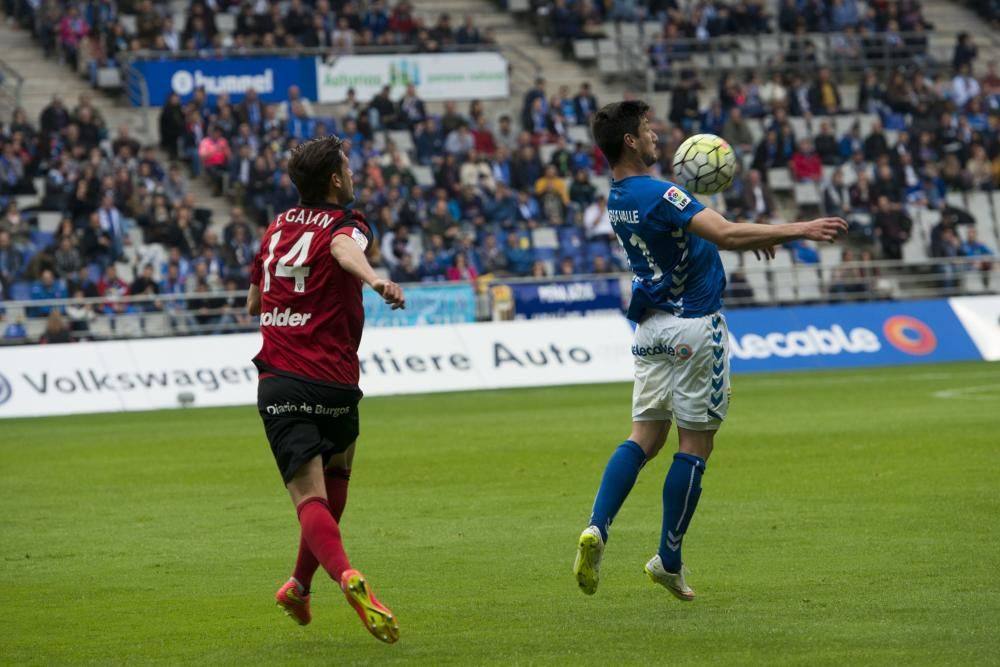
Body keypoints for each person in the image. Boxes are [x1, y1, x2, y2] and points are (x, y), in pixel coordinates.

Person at [573, 100, 846, 600]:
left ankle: (597, 525)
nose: (656, 135)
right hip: (696, 326)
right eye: (648, 129)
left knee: (643, 438)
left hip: (650, 329)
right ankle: (668, 560)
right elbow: (719, 232)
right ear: (630, 141)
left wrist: (746, 240)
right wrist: (798, 229)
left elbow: (690, 240)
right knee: (694, 445)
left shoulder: (618, 197)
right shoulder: (662, 191)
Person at [246, 135, 405, 644]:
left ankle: (345, 576)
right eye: (349, 167)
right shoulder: (349, 224)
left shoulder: (274, 230)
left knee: (308, 499)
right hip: (337, 383)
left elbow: (254, 302)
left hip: (282, 378)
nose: (354, 174)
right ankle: (298, 586)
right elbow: (341, 248)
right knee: (335, 479)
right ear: (335, 180)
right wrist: (375, 281)